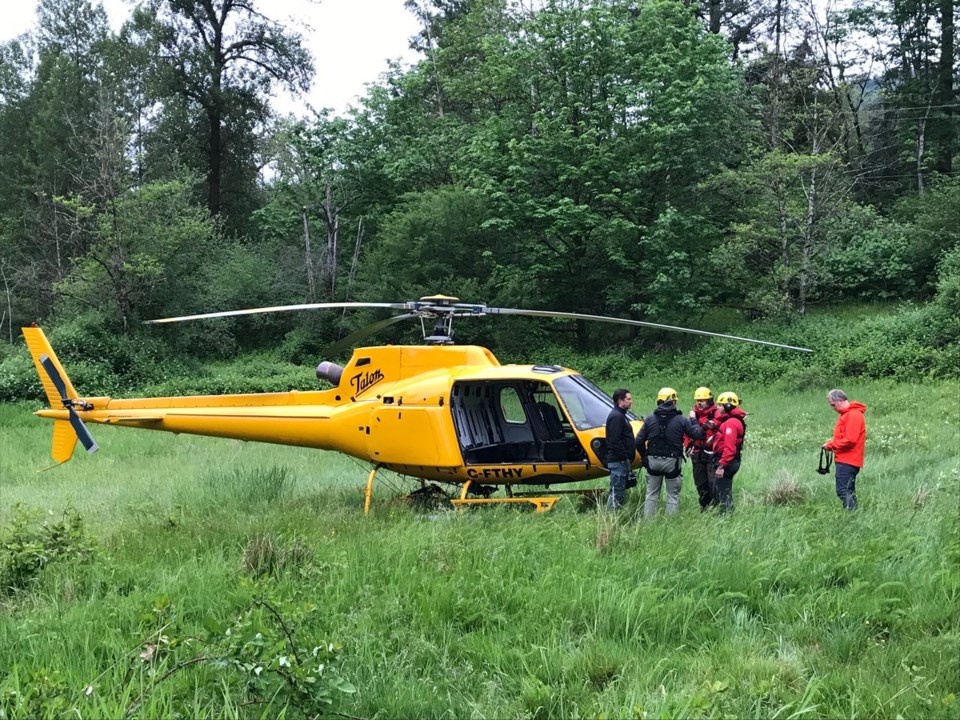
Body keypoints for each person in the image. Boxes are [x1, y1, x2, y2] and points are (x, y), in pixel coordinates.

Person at [636, 387, 704, 518]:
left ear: (659, 401)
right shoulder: (682, 419)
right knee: (672, 495)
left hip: (653, 460)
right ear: (673, 402)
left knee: (651, 493)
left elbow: (638, 441)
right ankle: (670, 523)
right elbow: (698, 434)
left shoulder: (650, 419)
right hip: (672, 462)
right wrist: (694, 421)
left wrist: (645, 457)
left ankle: (648, 523)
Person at [822, 389, 867, 510]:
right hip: (847, 459)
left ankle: (851, 515)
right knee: (848, 490)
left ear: (840, 400)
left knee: (843, 490)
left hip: (848, 460)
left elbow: (850, 440)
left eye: (833, 404)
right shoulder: (848, 414)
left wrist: (831, 445)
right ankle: (854, 514)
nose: (833, 408)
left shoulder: (853, 415)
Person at [711, 392, 746, 514]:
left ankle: (725, 516)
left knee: (724, 493)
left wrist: (721, 465)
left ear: (728, 406)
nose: (717, 407)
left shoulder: (731, 423)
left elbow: (729, 447)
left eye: (720, 405)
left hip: (728, 462)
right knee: (723, 491)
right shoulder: (730, 421)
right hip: (731, 461)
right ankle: (725, 514)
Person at [686, 386, 720, 511]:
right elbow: (686, 432)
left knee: (713, 484)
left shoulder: (716, 414)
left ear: (709, 400)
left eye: (703, 400)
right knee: (700, 484)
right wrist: (688, 444)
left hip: (712, 454)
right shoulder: (692, 415)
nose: (699, 403)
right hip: (697, 453)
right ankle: (704, 507)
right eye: (698, 401)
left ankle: (716, 507)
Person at [605, 388, 635, 510]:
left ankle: (614, 516)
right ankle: (611, 518)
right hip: (618, 461)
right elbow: (614, 441)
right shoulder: (617, 417)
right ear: (620, 400)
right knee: (616, 492)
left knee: (619, 491)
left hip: (621, 461)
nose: (631, 401)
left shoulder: (621, 415)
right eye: (628, 399)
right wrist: (624, 456)